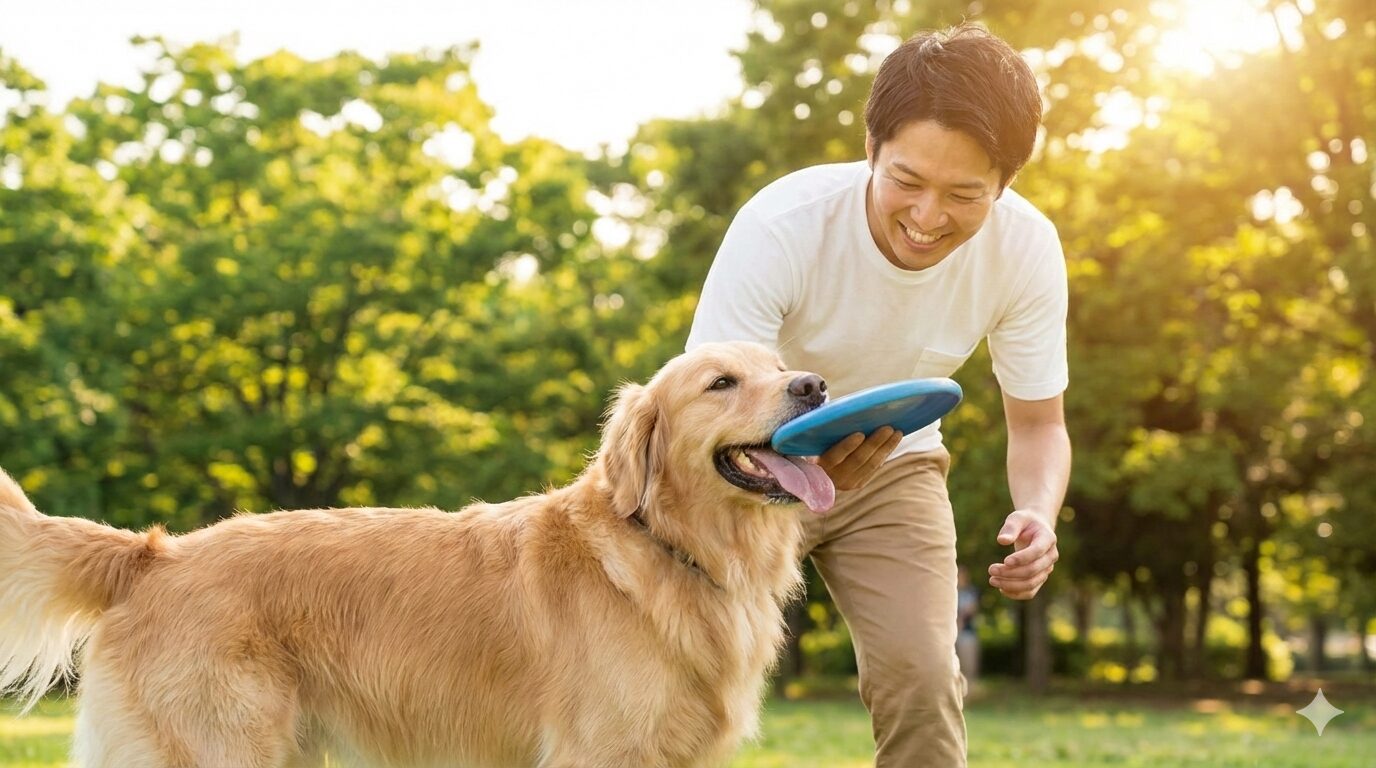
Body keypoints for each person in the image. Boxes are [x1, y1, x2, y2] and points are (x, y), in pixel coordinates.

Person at [685, 23, 1071, 767]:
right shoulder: (781, 225)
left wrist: (1037, 513)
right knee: (671, 683)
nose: (927, 219)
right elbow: (707, 413)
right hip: (740, 474)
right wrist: (792, 475)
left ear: (1006, 184)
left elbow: (1038, 425)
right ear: (870, 149)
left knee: (923, 679)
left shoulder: (1025, 249)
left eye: (965, 194)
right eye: (906, 181)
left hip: (892, 468)